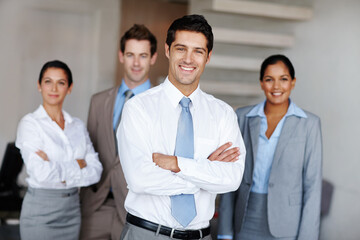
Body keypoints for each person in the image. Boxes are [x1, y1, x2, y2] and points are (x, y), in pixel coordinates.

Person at [117, 14, 246, 240]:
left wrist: (177, 164)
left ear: (208, 57)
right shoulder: (138, 109)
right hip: (146, 233)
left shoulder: (223, 114)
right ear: (167, 50)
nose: (188, 59)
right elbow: (139, 179)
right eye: (181, 49)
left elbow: (232, 179)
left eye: (198, 51)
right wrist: (205, 172)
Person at [217, 54, 322, 240]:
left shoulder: (309, 124)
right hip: (244, 218)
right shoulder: (243, 117)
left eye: (283, 79)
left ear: (293, 82)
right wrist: (224, 231)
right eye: (269, 79)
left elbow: (312, 186)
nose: (276, 87)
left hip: (287, 223)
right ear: (261, 83)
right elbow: (229, 175)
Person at [79, 24, 158, 239]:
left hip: (138, 210)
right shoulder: (98, 101)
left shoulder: (162, 107)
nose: (136, 63)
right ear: (121, 55)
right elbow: (89, 150)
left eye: (143, 56)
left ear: (153, 58)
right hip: (96, 206)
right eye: (130, 54)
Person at [15, 60, 103, 240]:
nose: (54, 88)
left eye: (61, 82)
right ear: (39, 86)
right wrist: (77, 165)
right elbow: (41, 173)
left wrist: (56, 167)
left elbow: (96, 171)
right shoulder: (30, 124)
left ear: (69, 88)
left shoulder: (77, 126)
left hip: (72, 210)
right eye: (48, 81)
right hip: (40, 212)